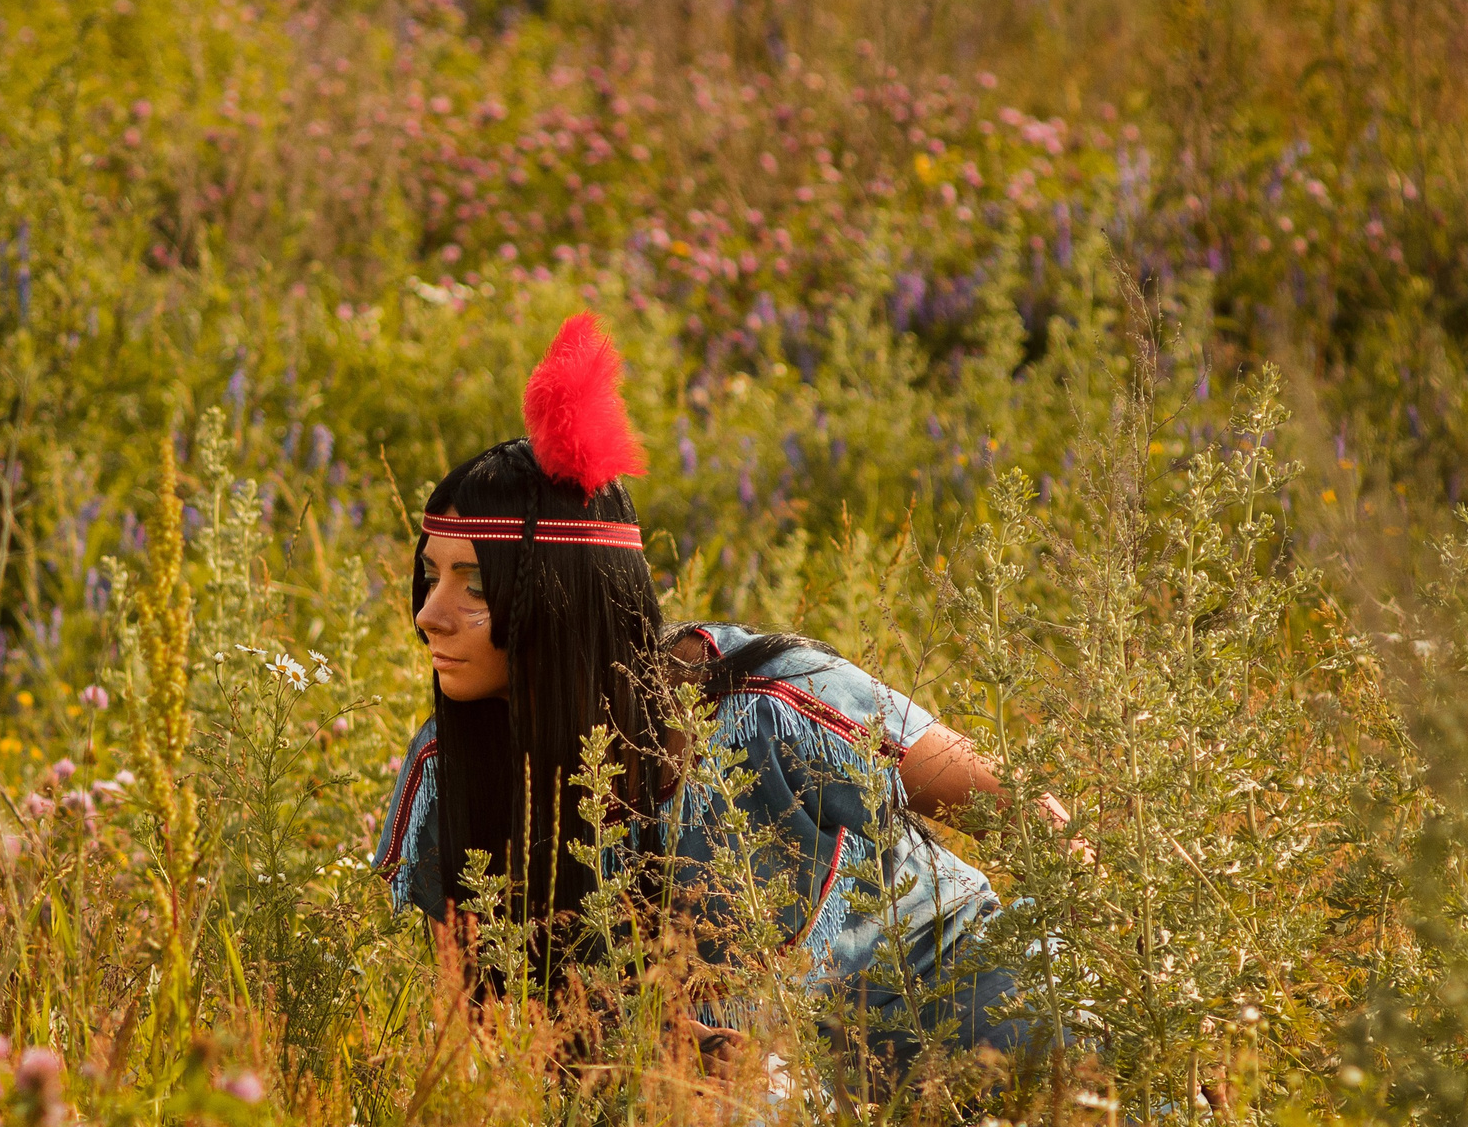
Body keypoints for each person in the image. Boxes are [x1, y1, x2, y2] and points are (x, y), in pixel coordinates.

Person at [373, 313, 1071, 1063]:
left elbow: (1021, 809)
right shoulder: (452, 770)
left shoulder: (764, 701)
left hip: (972, 1005)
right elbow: (487, 1027)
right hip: (785, 1092)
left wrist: (1139, 970)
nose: (428, 616)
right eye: (429, 576)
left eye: (474, 584)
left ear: (556, 596)